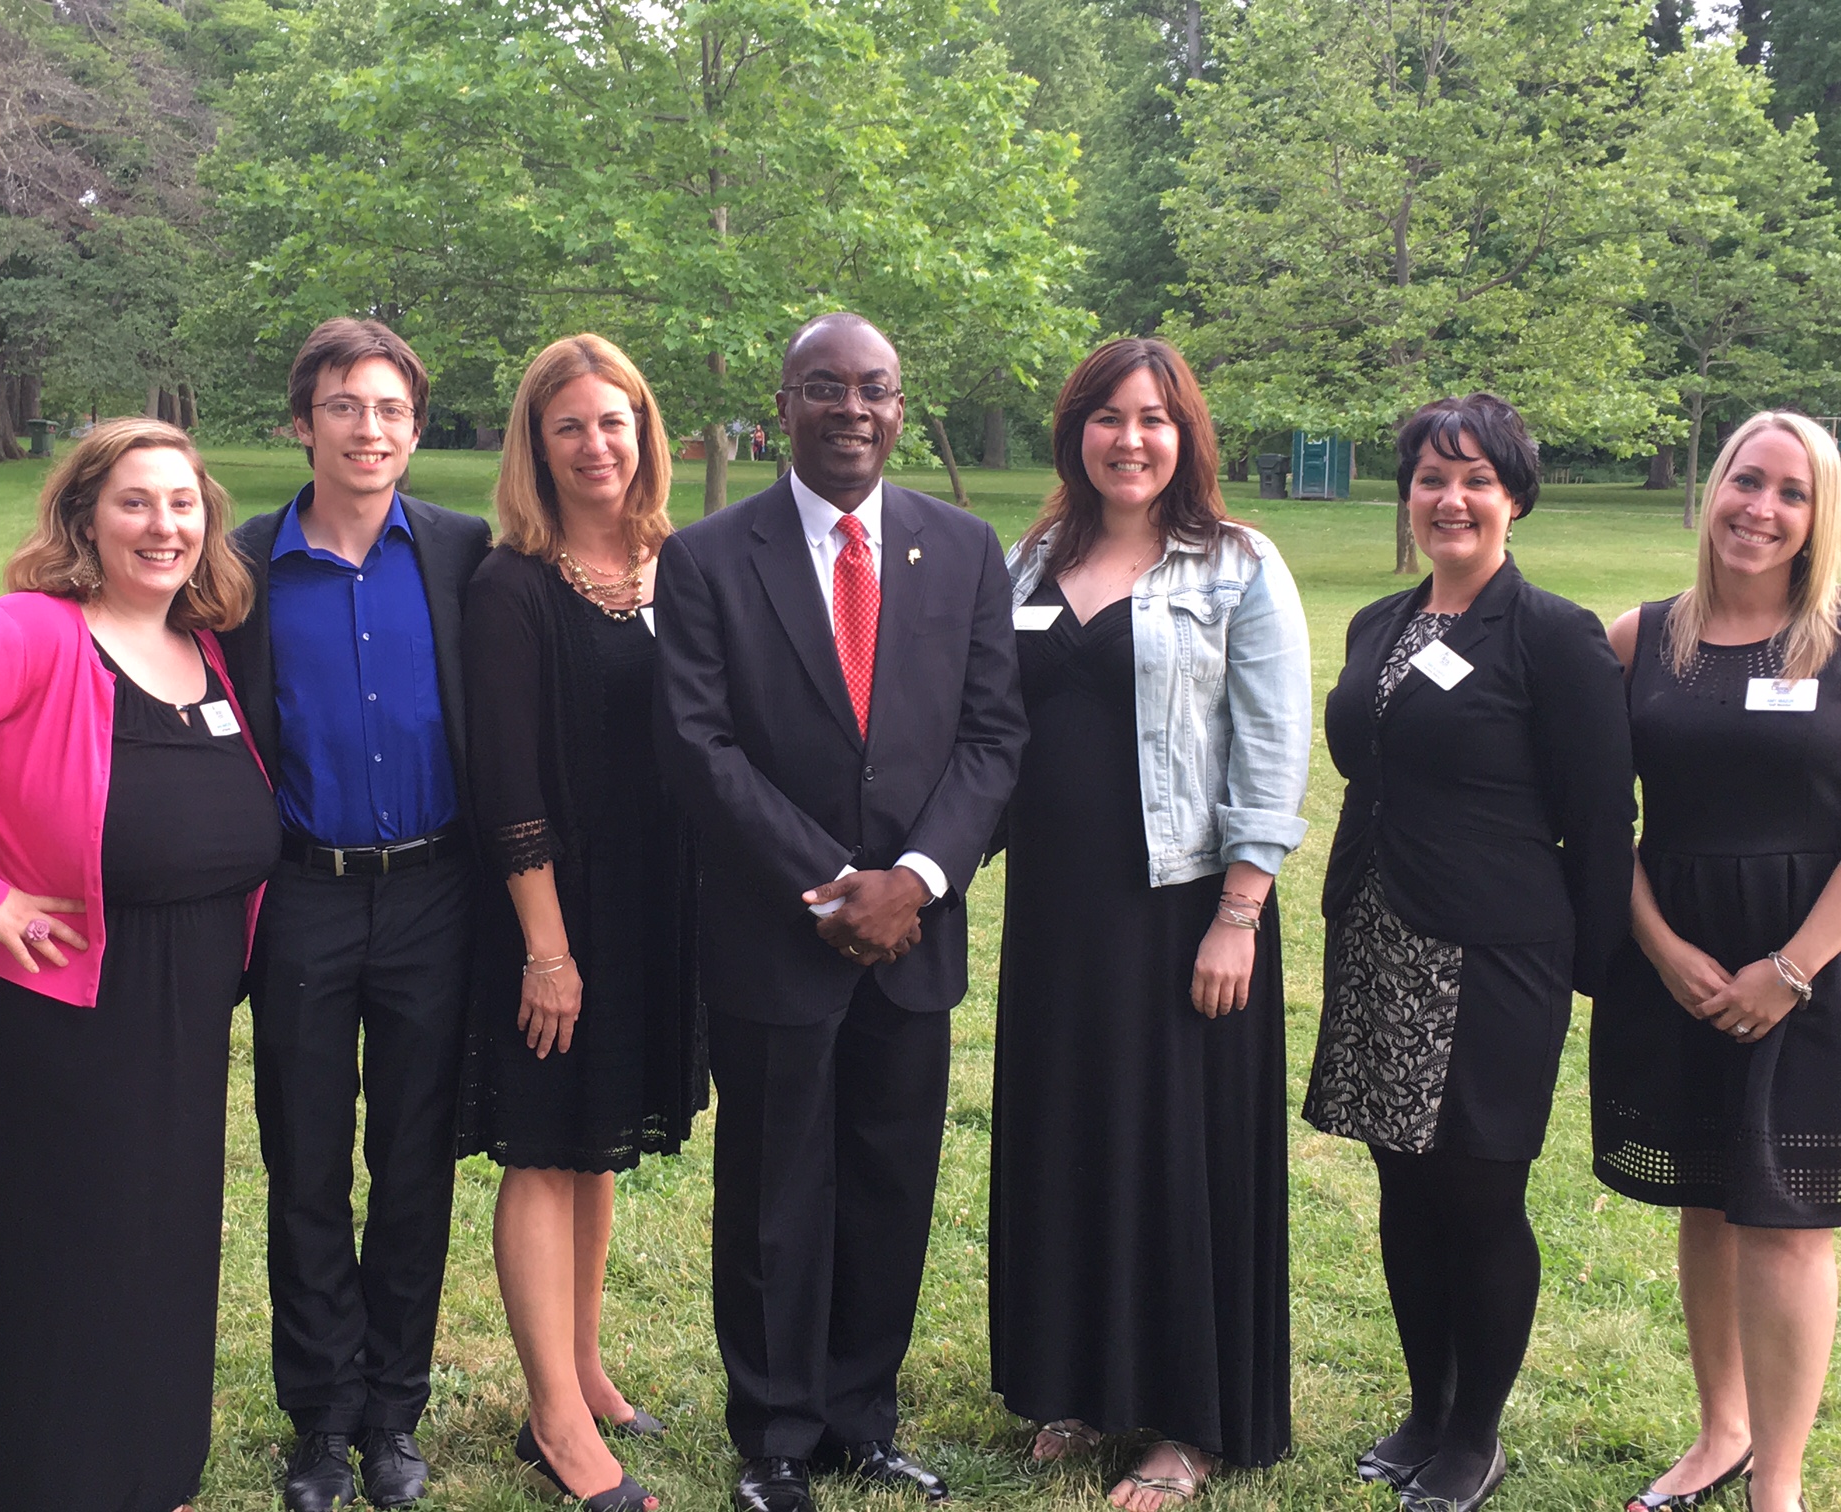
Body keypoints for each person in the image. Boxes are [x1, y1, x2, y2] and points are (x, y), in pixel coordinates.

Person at [0, 418, 278, 1512]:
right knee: (50, 1255)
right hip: (57, 1004)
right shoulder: (27, 633)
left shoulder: (202, 649)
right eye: (134, 502)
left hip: (183, 1002)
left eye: (182, 503)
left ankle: (145, 1473)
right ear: (84, 517)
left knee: (155, 1251)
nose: (162, 525)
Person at [653, 312, 1028, 1512]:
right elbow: (697, 745)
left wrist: (914, 880)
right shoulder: (711, 557)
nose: (852, 410)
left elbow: (993, 736)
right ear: (784, 407)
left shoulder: (964, 549)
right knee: (773, 1189)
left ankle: (862, 1413)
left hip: (914, 933)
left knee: (887, 1178)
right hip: (779, 930)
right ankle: (773, 1438)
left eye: (874, 390)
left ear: (901, 409)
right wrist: (831, 884)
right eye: (826, 389)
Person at [989, 337, 1311, 1508]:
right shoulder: (1029, 563)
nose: (1131, 439)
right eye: (1108, 416)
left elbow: (1274, 748)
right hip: (1056, 915)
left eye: (1155, 419)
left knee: (1180, 1156)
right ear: (1076, 430)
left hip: (1182, 912)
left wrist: (1240, 910)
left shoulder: (1235, 564)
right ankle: (1075, 1385)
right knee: (1068, 1134)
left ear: (1187, 438)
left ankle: (1189, 1418)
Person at [1302, 393, 1635, 1512]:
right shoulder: (1378, 625)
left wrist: (1588, 977)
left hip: (1499, 957)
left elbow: (1599, 822)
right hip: (1384, 937)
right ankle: (1425, 1406)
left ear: (1514, 500)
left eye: (1476, 479)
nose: (1451, 498)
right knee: (1404, 1185)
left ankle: (1476, 1435)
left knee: (1481, 1196)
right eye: (1432, 479)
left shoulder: (1554, 636)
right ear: (1409, 498)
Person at [219, 318, 493, 1512]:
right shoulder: (232, 570)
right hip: (304, 899)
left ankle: (394, 1413)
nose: (368, 429)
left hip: (438, 892)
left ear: (415, 428)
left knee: (415, 1160)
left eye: (389, 410)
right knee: (307, 1164)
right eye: (344, 407)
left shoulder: (465, 554)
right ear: (303, 424)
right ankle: (318, 1420)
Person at [457, 334, 705, 1512]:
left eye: (617, 421)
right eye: (571, 426)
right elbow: (506, 783)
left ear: (646, 432)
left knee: (596, 1143)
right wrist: (546, 951)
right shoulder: (513, 584)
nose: (598, 444)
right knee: (546, 1146)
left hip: (657, 900)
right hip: (548, 904)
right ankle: (552, 1420)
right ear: (536, 445)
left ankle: (587, 1366)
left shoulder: (681, 565)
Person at [1591, 412, 1841, 1512]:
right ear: (1713, 489)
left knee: (1787, 1221)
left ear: (1818, 519)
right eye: (1748, 481)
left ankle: (1776, 1487)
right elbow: (1596, 825)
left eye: (1793, 494)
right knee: (1706, 1201)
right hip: (1675, 956)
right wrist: (1659, 943)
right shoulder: (1638, 641)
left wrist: (1790, 970)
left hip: (1816, 965)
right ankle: (1719, 1433)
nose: (1762, 509)